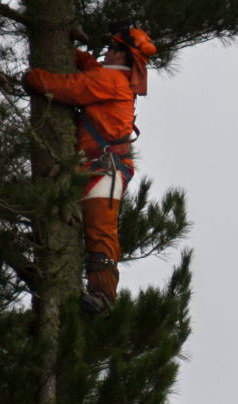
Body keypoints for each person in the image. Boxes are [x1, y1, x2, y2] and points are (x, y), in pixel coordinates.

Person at [26, 23, 158, 316]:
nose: (105, 52)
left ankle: (103, 296)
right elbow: (90, 69)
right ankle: (98, 292)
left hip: (104, 169)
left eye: (111, 48)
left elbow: (68, 88)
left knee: (101, 229)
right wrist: (71, 52)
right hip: (95, 166)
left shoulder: (109, 80)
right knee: (92, 229)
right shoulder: (112, 78)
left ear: (122, 56)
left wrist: (32, 77)